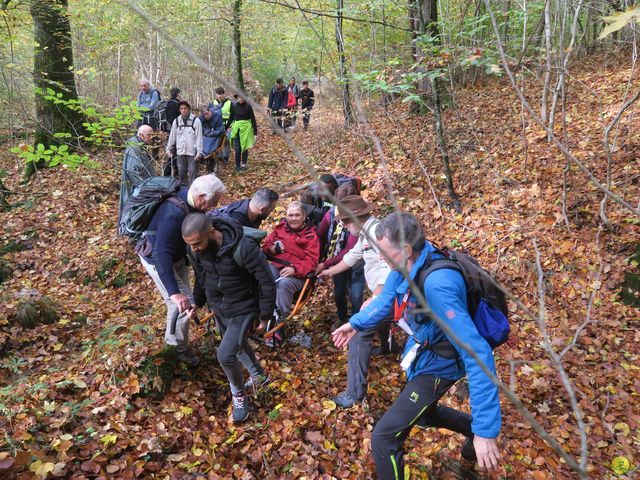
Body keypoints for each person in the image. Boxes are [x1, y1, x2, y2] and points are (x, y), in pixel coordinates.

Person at [332, 212, 502, 477]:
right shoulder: (406, 266)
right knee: (423, 415)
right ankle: (469, 428)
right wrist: (355, 323)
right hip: (426, 353)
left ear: (406, 249)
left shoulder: (437, 286)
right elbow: (386, 300)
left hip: (442, 363)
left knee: (384, 437)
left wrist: (486, 430)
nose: (380, 258)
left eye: (384, 252)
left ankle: (475, 430)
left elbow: (477, 353)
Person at [182, 213, 276, 423]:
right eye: (190, 244)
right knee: (238, 344)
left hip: (244, 307)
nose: (194, 248)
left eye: (197, 243)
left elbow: (267, 282)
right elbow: (202, 277)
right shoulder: (195, 249)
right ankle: (259, 376)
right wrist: (197, 302)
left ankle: (239, 394)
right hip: (219, 306)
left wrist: (265, 315)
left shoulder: (244, 248)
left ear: (211, 231)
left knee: (225, 355)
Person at [317, 195, 397, 408]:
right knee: (375, 319)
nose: (342, 226)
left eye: (344, 222)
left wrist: (375, 298)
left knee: (359, 331)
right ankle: (390, 347)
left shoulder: (376, 233)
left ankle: (354, 393)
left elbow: (390, 268)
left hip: (391, 293)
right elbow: (352, 257)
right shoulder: (366, 233)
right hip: (384, 294)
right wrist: (327, 271)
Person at [138, 174, 226, 366]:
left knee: (188, 302)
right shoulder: (174, 213)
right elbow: (161, 254)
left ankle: (176, 344)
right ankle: (177, 350)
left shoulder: (190, 199)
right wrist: (174, 292)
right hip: (157, 260)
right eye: (214, 201)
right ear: (201, 197)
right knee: (181, 304)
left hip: (175, 257)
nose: (214, 206)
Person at [316, 183, 365, 331]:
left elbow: (350, 250)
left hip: (357, 263)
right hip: (337, 260)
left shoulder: (359, 218)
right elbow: (320, 235)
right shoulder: (331, 214)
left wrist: (326, 264)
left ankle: (356, 324)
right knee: (339, 292)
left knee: (356, 295)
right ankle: (342, 317)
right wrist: (318, 258)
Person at [262, 201, 319, 319]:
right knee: (262, 276)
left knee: (283, 285)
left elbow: (312, 261)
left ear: (304, 217)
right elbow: (265, 247)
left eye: (297, 215)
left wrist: (294, 269)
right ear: (286, 216)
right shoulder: (280, 229)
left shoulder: (311, 236)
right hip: (276, 266)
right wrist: (272, 249)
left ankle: (278, 322)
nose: (293, 218)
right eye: (290, 215)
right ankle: (258, 315)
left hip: (298, 275)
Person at [118, 125, 156, 224]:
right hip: (135, 187)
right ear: (140, 135)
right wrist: (144, 187)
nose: (151, 137)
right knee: (133, 209)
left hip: (142, 184)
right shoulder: (134, 148)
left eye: (152, 135)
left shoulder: (139, 145)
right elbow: (133, 171)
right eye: (149, 135)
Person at [166, 101, 204, 186]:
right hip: (180, 151)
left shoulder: (196, 121)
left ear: (189, 109)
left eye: (185, 108)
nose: (183, 110)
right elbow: (172, 136)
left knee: (192, 172)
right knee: (181, 172)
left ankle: (192, 193)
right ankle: (183, 193)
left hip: (192, 152)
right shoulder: (176, 121)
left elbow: (199, 138)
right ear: (179, 110)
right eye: (181, 109)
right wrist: (168, 149)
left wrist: (199, 152)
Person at [229, 94, 257, 172]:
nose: (241, 99)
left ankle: (244, 164)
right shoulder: (234, 106)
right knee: (237, 148)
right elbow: (231, 118)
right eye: (239, 97)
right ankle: (237, 166)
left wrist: (255, 133)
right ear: (237, 98)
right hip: (237, 128)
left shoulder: (248, 106)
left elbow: (253, 119)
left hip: (246, 129)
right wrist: (225, 127)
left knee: (244, 147)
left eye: (242, 97)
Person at [162, 88, 182, 176]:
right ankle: (168, 172)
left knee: (173, 152)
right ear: (178, 94)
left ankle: (175, 171)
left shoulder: (168, 103)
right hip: (175, 131)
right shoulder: (176, 105)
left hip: (168, 130)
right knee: (174, 152)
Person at [199, 104, 225, 174]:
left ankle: (205, 154)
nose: (206, 116)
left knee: (212, 140)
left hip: (217, 135)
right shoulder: (201, 118)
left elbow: (220, 129)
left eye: (207, 114)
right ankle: (202, 154)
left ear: (210, 111)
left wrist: (212, 133)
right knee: (203, 138)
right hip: (207, 134)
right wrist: (207, 131)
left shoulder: (217, 115)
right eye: (204, 115)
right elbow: (201, 127)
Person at [212, 87, 232, 165]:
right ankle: (219, 157)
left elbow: (232, 115)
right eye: (218, 94)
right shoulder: (213, 103)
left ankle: (226, 157)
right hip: (217, 126)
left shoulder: (229, 103)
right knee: (218, 142)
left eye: (221, 94)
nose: (219, 96)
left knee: (226, 142)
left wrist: (229, 126)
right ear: (216, 95)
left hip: (228, 126)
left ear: (224, 94)